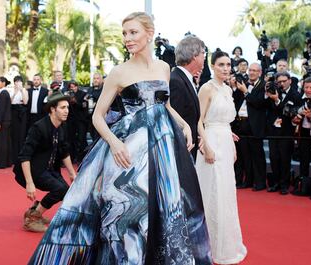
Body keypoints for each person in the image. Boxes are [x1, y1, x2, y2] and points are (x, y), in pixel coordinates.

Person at [28, 12, 212, 265]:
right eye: (124, 33)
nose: (127, 38)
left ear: (149, 33)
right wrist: (115, 143)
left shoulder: (163, 68)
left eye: (133, 32)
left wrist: (184, 124)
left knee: (164, 208)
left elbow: (163, 104)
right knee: (129, 215)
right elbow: (98, 117)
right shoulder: (118, 72)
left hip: (162, 148)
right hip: (130, 150)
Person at [195, 50, 247, 265]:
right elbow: (198, 121)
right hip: (212, 144)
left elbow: (225, 120)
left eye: (228, 65)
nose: (226, 68)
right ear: (212, 66)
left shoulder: (228, 89)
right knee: (212, 193)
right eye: (221, 65)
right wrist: (206, 146)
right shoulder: (206, 89)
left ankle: (226, 244)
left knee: (226, 194)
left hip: (225, 141)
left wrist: (230, 138)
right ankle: (208, 247)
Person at [14, 90, 76, 232]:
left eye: (67, 107)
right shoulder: (39, 127)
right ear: (52, 109)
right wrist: (30, 183)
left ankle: (34, 211)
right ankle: (32, 219)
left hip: (50, 168)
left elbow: (64, 151)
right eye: (62, 107)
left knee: (65, 191)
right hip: (35, 170)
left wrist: (72, 173)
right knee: (60, 189)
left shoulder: (62, 126)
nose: (67, 111)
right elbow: (25, 156)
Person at [266, 72, 301, 194]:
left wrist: (277, 100)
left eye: (284, 81)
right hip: (273, 131)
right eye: (279, 82)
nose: (281, 84)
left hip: (286, 132)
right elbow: (269, 109)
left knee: (285, 159)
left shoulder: (296, 95)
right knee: (274, 158)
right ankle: (275, 183)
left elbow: (291, 112)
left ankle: (284, 185)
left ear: (290, 80)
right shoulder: (274, 91)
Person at [169, 35, 205, 160]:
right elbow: (173, 121)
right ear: (194, 55)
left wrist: (195, 135)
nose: (204, 57)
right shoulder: (175, 81)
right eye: (203, 53)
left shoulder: (184, 79)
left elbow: (188, 115)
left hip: (189, 146)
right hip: (180, 151)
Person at [234, 63, 268, 191]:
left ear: (260, 72)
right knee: (245, 155)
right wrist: (237, 88)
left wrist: (246, 92)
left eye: (255, 71)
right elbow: (236, 100)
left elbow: (259, 103)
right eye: (250, 70)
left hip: (255, 125)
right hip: (241, 124)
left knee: (257, 156)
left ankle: (260, 183)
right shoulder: (244, 84)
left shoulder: (263, 86)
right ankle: (247, 181)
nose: (252, 72)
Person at [0, 76, 12, 169]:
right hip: (6, 121)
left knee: (2, 143)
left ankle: (1, 163)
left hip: (3, 122)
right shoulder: (4, 92)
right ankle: (7, 161)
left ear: (3, 83)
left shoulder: (3, 93)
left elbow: (1, 109)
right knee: (6, 142)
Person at [10, 76, 28, 163]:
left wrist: (21, 90)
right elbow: (9, 102)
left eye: (19, 81)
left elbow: (25, 102)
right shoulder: (11, 90)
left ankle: (21, 157)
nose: (18, 83)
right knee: (14, 134)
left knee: (21, 134)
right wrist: (15, 92)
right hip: (13, 112)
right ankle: (13, 157)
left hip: (22, 113)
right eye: (16, 81)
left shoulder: (24, 90)